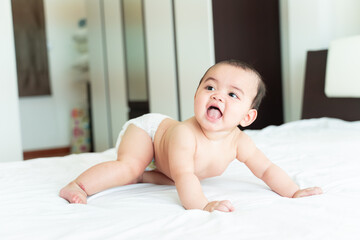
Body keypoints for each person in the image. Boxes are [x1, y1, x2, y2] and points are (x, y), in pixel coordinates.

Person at [60, 60, 322, 212]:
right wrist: (202, 205)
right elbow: (185, 176)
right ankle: (78, 186)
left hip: (166, 164)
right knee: (130, 168)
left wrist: (293, 192)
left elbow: (265, 169)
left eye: (232, 94)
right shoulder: (186, 134)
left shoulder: (240, 142)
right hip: (148, 133)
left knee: (163, 178)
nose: (217, 95)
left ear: (247, 118)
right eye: (210, 87)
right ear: (196, 96)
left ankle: (142, 175)